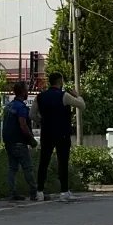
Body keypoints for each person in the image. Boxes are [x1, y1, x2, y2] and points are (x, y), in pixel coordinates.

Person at [32, 72, 86, 202]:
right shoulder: (64, 96)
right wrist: (77, 95)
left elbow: (32, 114)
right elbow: (82, 106)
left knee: (43, 161)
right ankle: (64, 191)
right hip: (62, 133)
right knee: (63, 161)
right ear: (60, 81)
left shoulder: (40, 97)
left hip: (46, 133)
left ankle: (39, 191)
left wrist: (42, 122)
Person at [2, 81, 38, 201]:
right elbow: (23, 125)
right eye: (27, 90)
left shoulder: (8, 106)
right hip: (19, 142)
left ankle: (12, 193)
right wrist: (31, 139)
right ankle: (34, 192)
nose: (28, 92)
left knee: (12, 168)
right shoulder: (21, 107)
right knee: (27, 167)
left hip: (9, 142)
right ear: (23, 92)